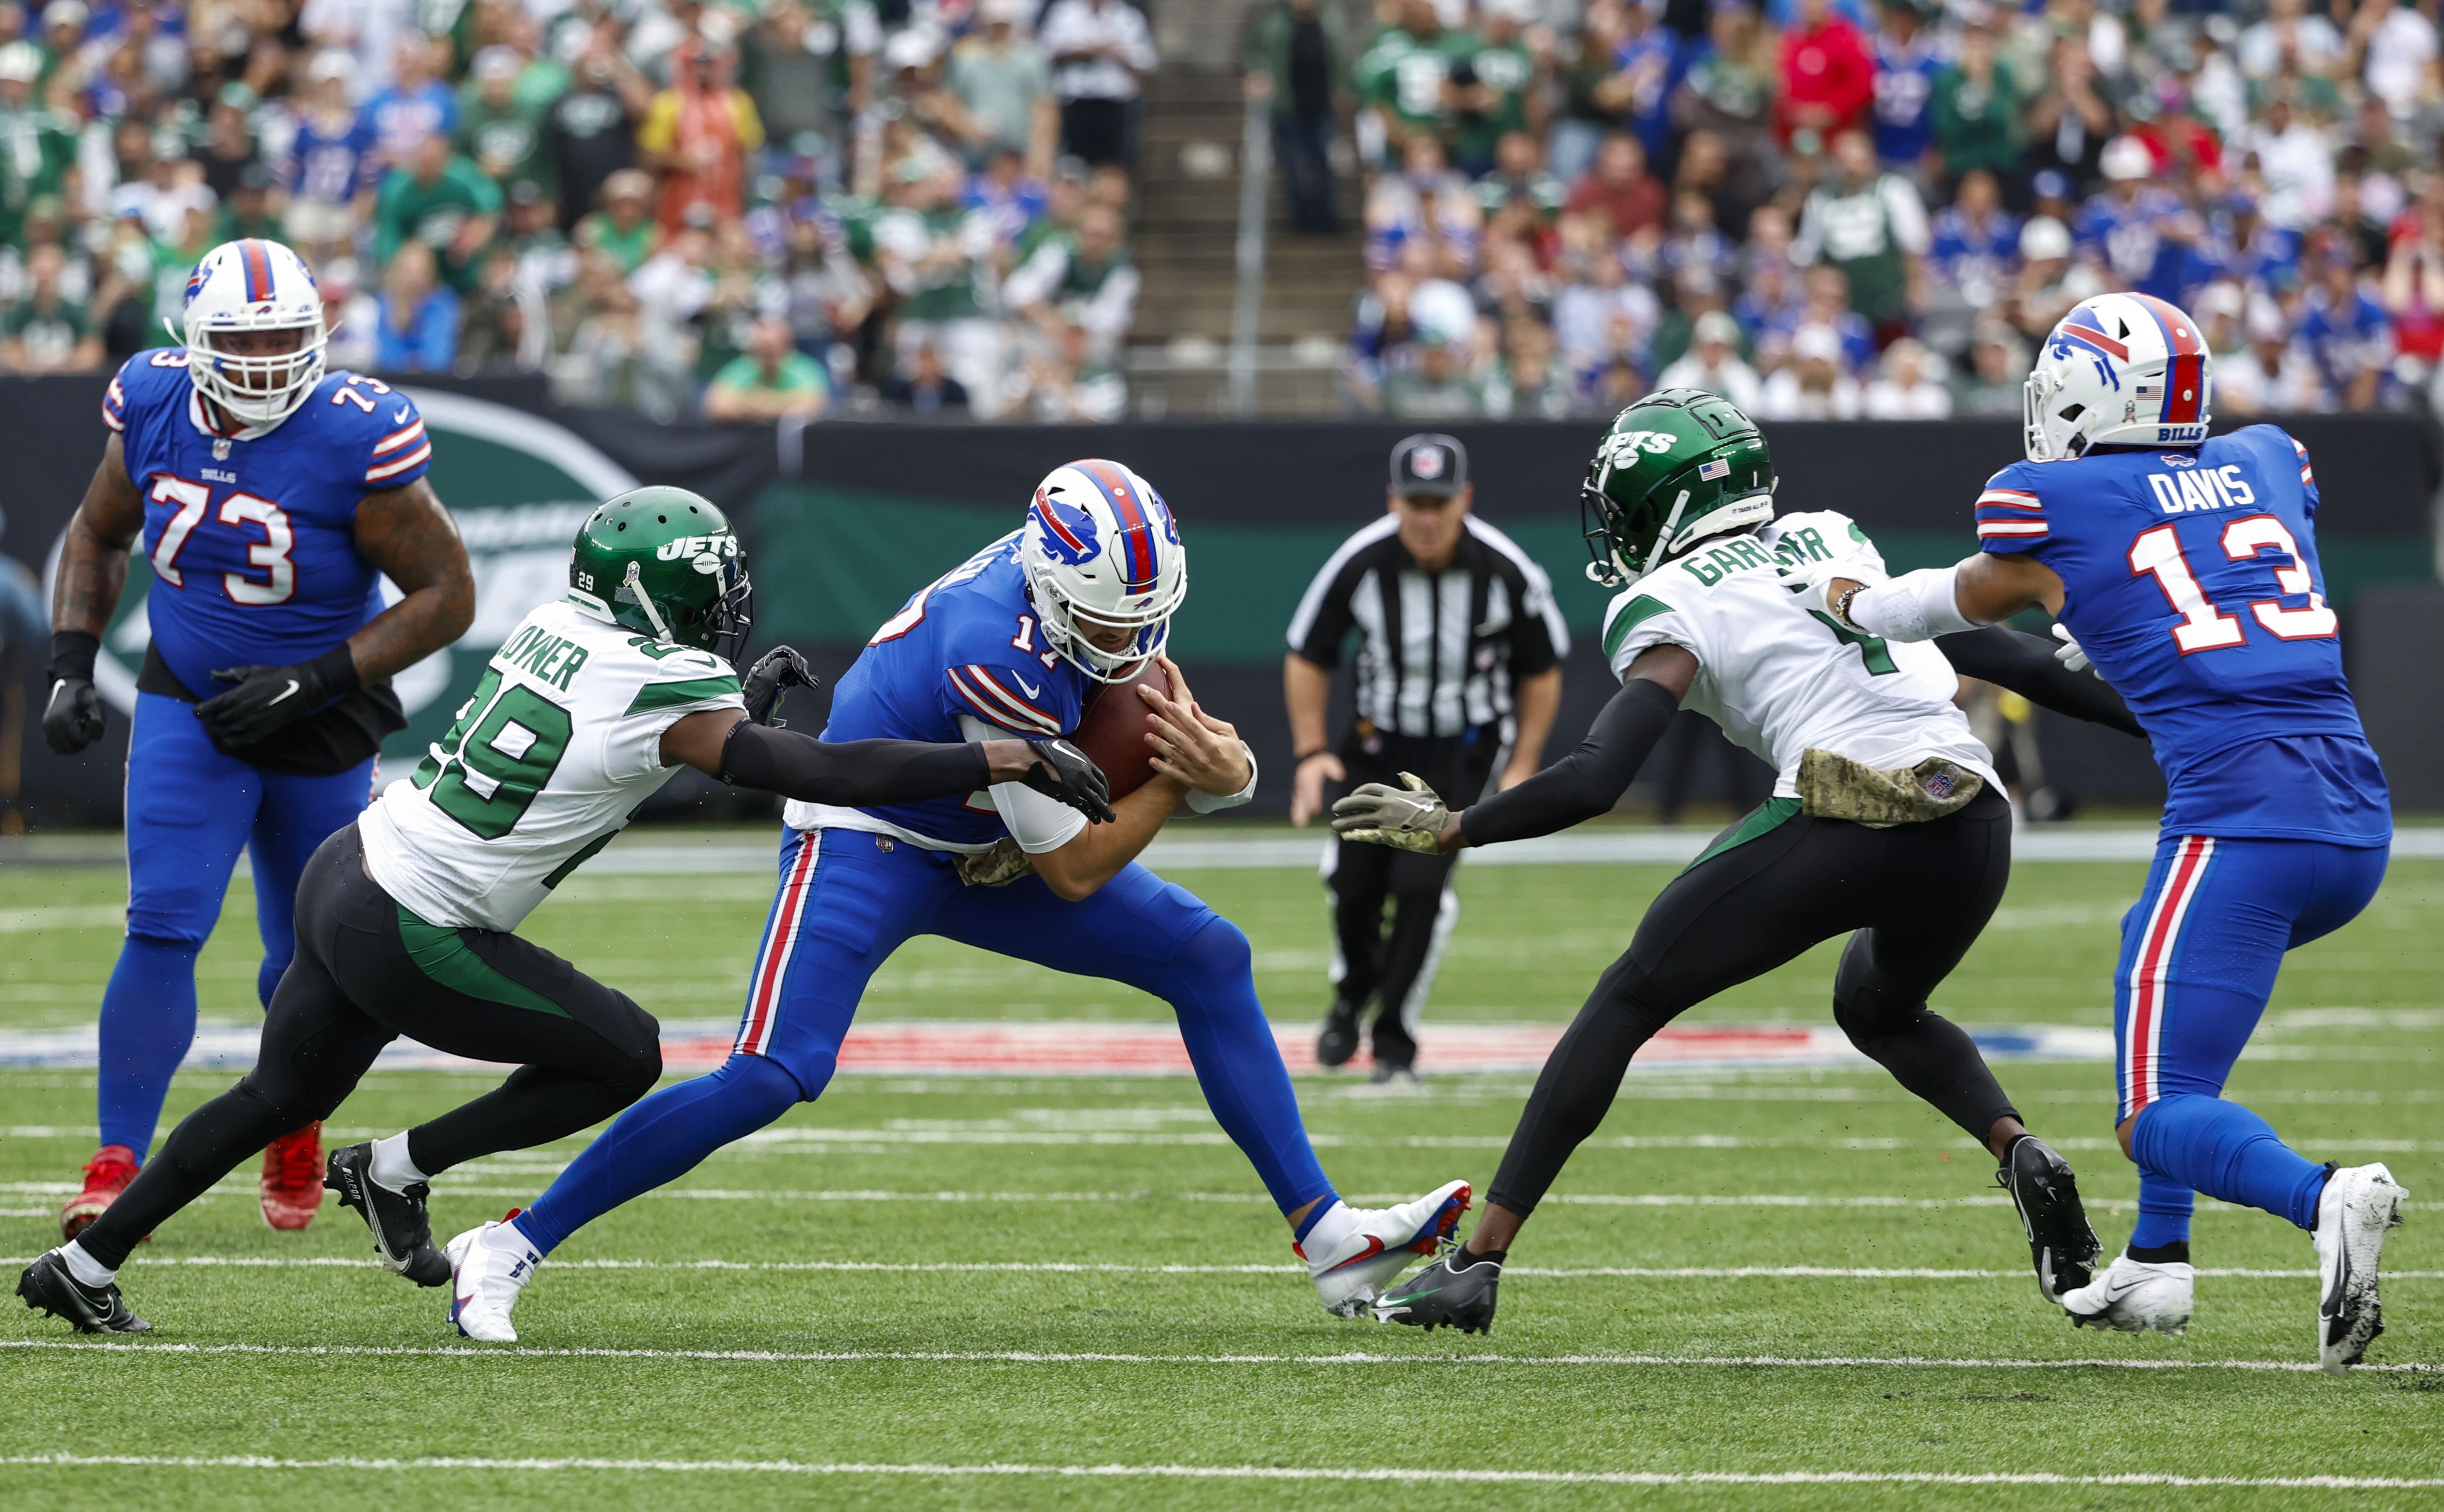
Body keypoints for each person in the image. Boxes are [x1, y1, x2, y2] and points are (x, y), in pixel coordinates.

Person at [16, 489, 1117, 1334]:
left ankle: (85, 1265)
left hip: (352, 870)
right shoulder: (663, 684)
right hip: (410, 922)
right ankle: (395, 1164)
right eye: (706, 591)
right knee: (625, 1054)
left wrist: (753, 704)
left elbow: (636, 755)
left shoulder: (559, 620)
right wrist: (998, 752)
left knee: (274, 1094)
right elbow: (811, 771)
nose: (722, 608)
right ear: (652, 593)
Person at [441, 460, 1470, 1342]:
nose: (1131, 636)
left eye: (1141, 615)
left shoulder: (1073, 586)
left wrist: (1227, 763)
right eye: (1110, 617)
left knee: (1208, 953)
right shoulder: (995, 640)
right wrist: (1179, 784)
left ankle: (1330, 1239)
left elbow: (1160, 712)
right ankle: (510, 1239)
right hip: (868, 839)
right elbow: (1073, 864)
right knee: (774, 1071)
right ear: (1058, 586)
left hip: (978, 841)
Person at [1336, 389, 2146, 1335]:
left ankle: (1474, 1264)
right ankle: (2016, 1148)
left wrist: (1453, 827)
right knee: (1875, 1004)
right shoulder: (1827, 537)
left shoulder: (1670, 596)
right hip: (1971, 817)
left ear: (1663, 504)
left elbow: (1599, 775)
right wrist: (2177, 718)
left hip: (1841, 805)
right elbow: (2010, 658)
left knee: (1627, 996)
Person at [1807, 294, 2407, 1372]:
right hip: (2353, 822)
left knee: (2150, 1112)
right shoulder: (2268, 458)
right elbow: (2211, 574)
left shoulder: (2054, 498)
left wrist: (1849, 600)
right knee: (2152, 979)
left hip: (2238, 822)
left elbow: (1952, 601)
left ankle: (2323, 1195)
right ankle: (2155, 1260)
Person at [38, 239, 477, 1243]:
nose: (272, 357)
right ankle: (115, 1162)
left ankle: (295, 1116)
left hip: (322, 713)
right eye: (248, 338)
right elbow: (100, 531)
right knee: (161, 921)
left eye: (289, 334)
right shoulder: (149, 402)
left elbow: (449, 595)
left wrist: (313, 678)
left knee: (307, 956)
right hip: (189, 701)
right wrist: (72, 656)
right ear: (193, 341)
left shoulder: (354, 432)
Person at [1286, 434, 1565, 1081]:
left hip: (1458, 754)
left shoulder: (1504, 569)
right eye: (1415, 502)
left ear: (1464, 499)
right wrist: (1309, 752)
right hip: (1376, 745)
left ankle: (1392, 1041)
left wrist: (1522, 762)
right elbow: (1307, 650)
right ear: (1393, 501)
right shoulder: (1361, 561)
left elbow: (1541, 667)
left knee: (1418, 890)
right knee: (1350, 887)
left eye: (1439, 502)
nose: (1427, 517)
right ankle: (1352, 993)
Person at [1243, 0, 1346, 234]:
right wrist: (1259, 73)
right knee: (1293, 162)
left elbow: (1340, 58)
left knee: (1324, 161)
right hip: (1288, 105)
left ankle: (1326, 216)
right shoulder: (1273, 22)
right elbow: (1252, 52)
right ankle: (1301, 218)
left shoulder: (1330, 20)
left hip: (1321, 105)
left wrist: (1340, 88)